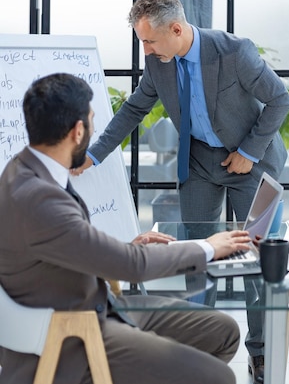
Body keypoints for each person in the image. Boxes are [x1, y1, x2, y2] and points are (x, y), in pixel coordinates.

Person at [72, 0, 289, 382]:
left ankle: (259, 354)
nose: (146, 49)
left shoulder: (233, 52)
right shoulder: (158, 62)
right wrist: (95, 153)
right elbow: (134, 109)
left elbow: (279, 100)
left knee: (255, 264)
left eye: (150, 41)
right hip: (201, 163)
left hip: (250, 161)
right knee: (196, 255)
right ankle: (198, 350)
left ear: (176, 29)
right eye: (142, 41)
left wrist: (248, 151)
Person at [0, 73, 255, 384]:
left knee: (223, 332)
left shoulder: (25, 169)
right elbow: (132, 267)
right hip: (71, 331)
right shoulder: (39, 199)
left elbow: (67, 247)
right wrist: (210, 247)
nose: (94, 129)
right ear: (78, 131)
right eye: (92, 121)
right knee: (219, 378)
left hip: (93, 302)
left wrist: (127, 247)